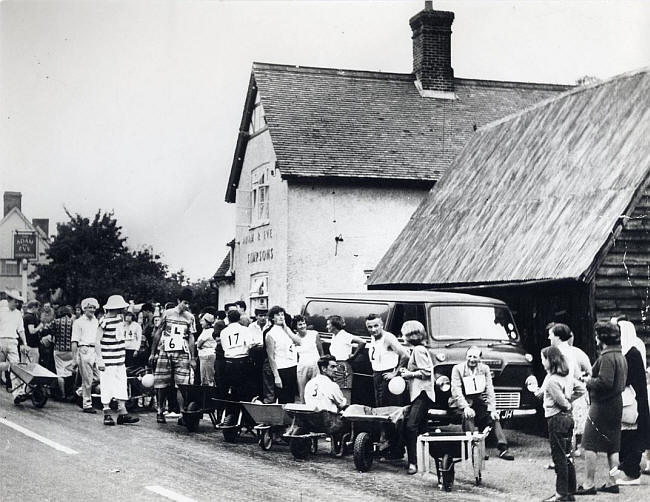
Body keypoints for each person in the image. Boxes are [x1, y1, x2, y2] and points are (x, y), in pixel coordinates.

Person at [576, 321, 627, 495]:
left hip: (602, 405)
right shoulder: (620, 356)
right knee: (613, 446)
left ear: (602, 338)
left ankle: (589, 483)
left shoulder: (606, 357)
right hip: (616, 403)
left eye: (597, 336)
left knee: (590, 444)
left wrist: (587, 381)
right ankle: (613, 481)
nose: (596, 339)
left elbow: (605, 382)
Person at [449, 346, 515, 460]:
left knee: (494, 417)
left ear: (480, 358)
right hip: (461, 402)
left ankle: (503, 448)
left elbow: (490, 389)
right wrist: (465, 407)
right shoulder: (458, 369)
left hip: (478, 401)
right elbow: (456, 390)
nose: (472, 359)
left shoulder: (484, 369)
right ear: (466, 357)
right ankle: (474, 449)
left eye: (475, 357)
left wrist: (492, 408)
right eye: (469, 356)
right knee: (469, 415)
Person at [533, 346, 577, 502]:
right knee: (567, 456)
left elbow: (561, 402)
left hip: (556, 419)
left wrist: (566, 403)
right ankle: (571, 491)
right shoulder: (566, 376)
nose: (542, 362)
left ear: (549, 360)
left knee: (559, 457)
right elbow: (581, 389)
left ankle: (561, 494)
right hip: (568, 419)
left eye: (543, 359)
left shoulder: (552, 380)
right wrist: (570, 400)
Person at [149, 288, 197, 424]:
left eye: (188, 304)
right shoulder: (168, 313)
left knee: (182, 384)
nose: (186, 306)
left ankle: (183, 414)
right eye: (184, 303)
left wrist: (192, 357)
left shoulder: (190, 317)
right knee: (162, 382)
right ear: (178, 301)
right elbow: (158, 332)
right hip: (166, 351)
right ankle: (160, 410)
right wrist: (153, 353)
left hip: (182, 352)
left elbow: (191, 337)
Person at [95, 295, 139, 426]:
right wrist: (100, 360)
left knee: (121, 385)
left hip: (120, 359)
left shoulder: (120, 319)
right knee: (107, 386)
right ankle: (106, 413)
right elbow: (97, 341)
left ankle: (122, 412)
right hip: (108, 360)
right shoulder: (104, 321)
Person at [399, 320, 435, 475]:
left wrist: (409, 374)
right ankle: (423, 460)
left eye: (404, 334)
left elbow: (427, 372)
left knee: (410, 426)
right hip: (419, 393)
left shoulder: (419, 350)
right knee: (421, 427)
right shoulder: (418, 349)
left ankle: (413, 462)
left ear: (411, 336)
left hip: (422, 394)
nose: (402, 336)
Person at [616, 320, 650, 485]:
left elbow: (628, 378)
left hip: (635, 400)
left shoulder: (632, 354)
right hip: (633, 398)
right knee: (628, 436)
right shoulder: (629, 352)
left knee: (632, 437)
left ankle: (633, 473)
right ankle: (629, 469)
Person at [365, 314, 408, 407]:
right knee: (379, 405)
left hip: (387, 375)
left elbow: (405, 355)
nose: (373, 329)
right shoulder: (373, 337)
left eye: (376, 326)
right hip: (377, 375)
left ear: (382, 325)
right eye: (370, 327)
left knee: (388, 406)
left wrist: (395, 373)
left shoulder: (388, 338)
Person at [265, 305, 301, 404]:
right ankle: (284, 419)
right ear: (272, 318)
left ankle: (291, 418)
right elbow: (271, 357)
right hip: (282, 369)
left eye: (282, 315)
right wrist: (277, 376)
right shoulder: (270, 334)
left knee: (292, 398)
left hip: (293, 367)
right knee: (284, 399)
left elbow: (299, 341)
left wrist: (286, 328)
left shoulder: (287, 330)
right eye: (278, 315)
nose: (281, 317)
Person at [327, 315, 366, 403]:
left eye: (328, 324)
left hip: (343, 367)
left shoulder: (344, 335)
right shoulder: (334, 336)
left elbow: (362, 341)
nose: (327, 327)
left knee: (344, 397)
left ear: (334, 325)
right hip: (335, 366)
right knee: (336, 394)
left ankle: (345, 415)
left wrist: (354, 356)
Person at [71, 298, 100, 413]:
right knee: (87, 378)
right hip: (84, 348)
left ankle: (79, 392)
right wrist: (74, 358)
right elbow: (74, 341)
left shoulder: (96, 321)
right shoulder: (78, 322)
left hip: (95, 350)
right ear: (84, 308)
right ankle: (87, 404)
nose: (92, 310)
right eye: (89, 307)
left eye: (93, 307)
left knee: (98, 378)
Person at [0, 289, 28, 404]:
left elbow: (21, 330)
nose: (17, 304)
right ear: (9, 300)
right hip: (0, 341)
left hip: (13, 342)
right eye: (15, 301)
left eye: (18, 302)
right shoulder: (1, 311)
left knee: (15, 368)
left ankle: (18, 394)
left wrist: (25, 343)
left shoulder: (18, 313)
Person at [294, 314, 324, 403]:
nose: (303, 326)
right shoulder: (294, 338)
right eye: (300, 324)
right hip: (302, 367)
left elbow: (321, 352)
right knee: (302, 392)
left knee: (316, 390)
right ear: (295, 327)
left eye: (304, 323)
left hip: (315, 366)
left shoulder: (314, 334)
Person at [50, 306, 76, 400]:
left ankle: (62, 394)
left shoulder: (55, 322)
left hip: (59, 349)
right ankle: (72, 392)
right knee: (71, 371)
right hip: (70, 350)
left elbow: (51, 334)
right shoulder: (73, 322)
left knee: (60, 373)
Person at [247, 308, 272, 401]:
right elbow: (250, 342)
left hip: (267, 353)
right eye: (260, 316)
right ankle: (257, 398)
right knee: (256, 376)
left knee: (267, 377)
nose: (263, 318)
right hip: (256, 354)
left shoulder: (270, 325)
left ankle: (266, 398)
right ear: (256, 316)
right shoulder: (251, 326)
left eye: (265, 315)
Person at [196, 313, 217, 386]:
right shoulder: (206, 330)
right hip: (205, 355)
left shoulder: (208, 331)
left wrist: (198, 345)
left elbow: (199, 344)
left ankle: (209, 395)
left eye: (203, 321)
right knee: (206, 379)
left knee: (207, 379)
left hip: (206, 356)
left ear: (207, 322)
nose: (201, 322)